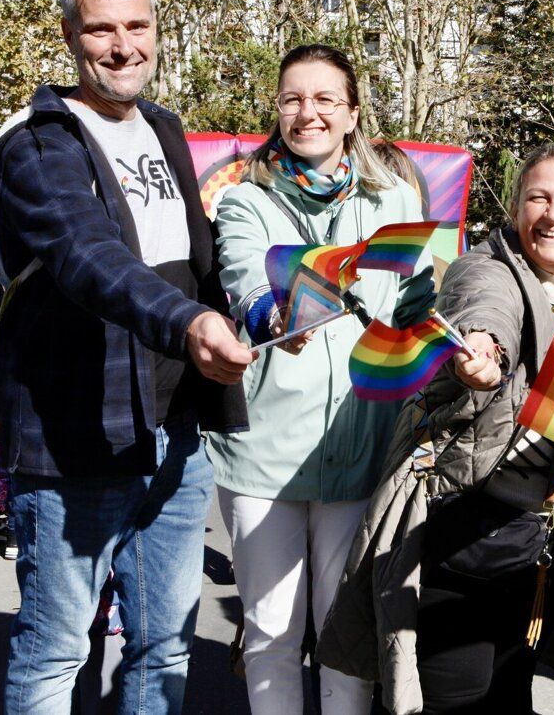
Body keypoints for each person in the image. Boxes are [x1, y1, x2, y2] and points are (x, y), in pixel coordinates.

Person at [0, 0, 252, 714]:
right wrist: (192, 322)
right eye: (102, 29)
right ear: (69, 34)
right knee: (56, 653)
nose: (123, 45)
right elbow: (88, 257)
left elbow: (190, 265)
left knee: (162, 646)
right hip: (77, 439)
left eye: (138, 25)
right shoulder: (37, 144)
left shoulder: (163, 128)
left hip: (174, 434)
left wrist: (253, 316)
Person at [316, 143, 554, 715]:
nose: (553, 214)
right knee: (456, 697)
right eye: (537, 198)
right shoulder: (489, 267)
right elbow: (486, 307)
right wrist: (484, 350)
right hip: (466, 536)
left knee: (510, 694)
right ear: (515, 209)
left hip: (539, 548)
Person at [205, 43, 432, 715]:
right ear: (277, 111)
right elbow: (243, 272)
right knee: (271, 636)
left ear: (352, 113)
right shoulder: (247, 199)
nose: (309, 113)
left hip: (360, 456)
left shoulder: (394, 201)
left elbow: (418, 305)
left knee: (344, 639)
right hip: (264, 459)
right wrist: (269, 311)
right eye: (293, 100)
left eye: (325, 99)